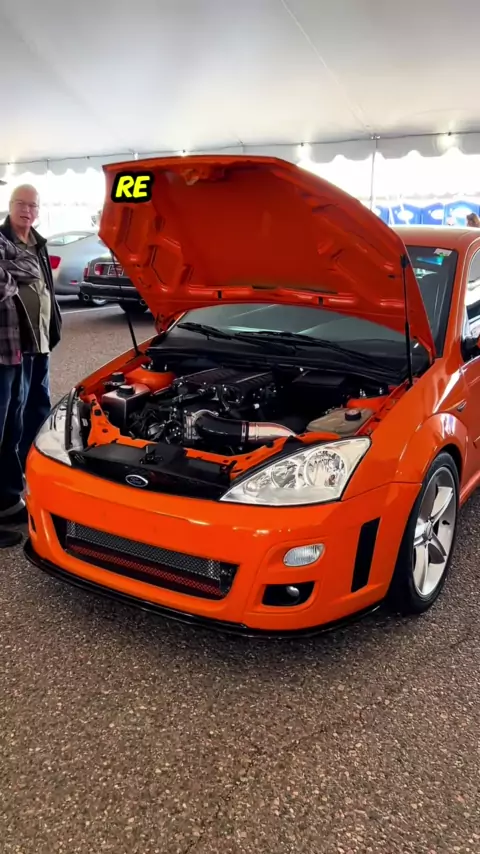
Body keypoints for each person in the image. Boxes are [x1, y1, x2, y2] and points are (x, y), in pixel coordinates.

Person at [0, 185, 62, 469]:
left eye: (33, 205)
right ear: (10, 205)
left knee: (39, 405)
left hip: (41, 340)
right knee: (16, 410)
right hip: (15, 343)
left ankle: (34, 463)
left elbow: (42, 281)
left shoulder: (39, 242)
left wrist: (54, 325)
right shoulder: (3, 238)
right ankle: (14, 469)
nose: (27, 210)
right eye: (21, 204)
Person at [0, 231, 42, 544]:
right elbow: (4, 286)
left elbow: (33, 267)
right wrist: (11, 276)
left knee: (10, 432)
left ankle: (5, 501)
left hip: (12, 352)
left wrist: (6, 270)